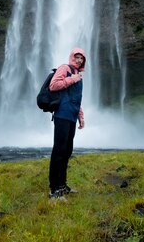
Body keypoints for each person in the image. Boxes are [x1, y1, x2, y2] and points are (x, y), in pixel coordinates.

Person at [48, 47, 86, 200]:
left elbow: (76, 98)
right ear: (72, 57)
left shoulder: (78, 75)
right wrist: (72, 79)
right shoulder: (65, 68)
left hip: (71, 116)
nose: (79, 60)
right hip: (62, 115)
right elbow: (53, 85)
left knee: (67, 151)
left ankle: (62, 185)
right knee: (59, 151)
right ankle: (53, 190)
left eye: (82, 58)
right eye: (77, 57)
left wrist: (81, 116)